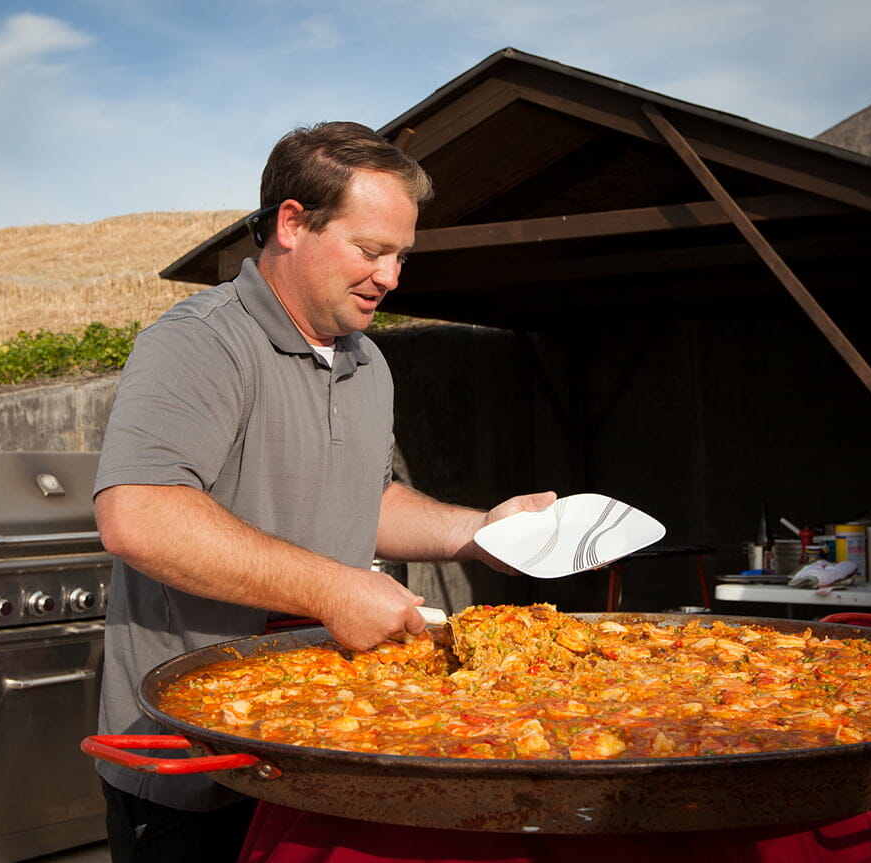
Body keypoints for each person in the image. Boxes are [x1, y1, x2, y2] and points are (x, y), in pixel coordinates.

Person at [91, 120, 556, 862]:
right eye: (371, 250)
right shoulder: (201, 340)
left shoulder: (368, 363)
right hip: (201, 761)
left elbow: (367, 499)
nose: (391, 277)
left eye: (401, 255)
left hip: (325, 748)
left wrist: (479, 532)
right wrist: (335, 590)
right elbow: (138, 515)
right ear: (292, 223)